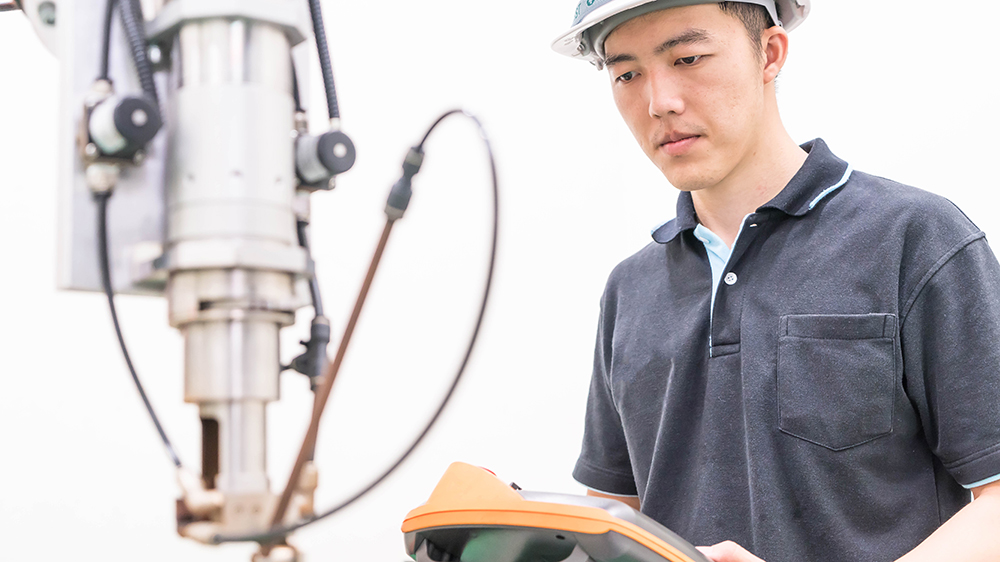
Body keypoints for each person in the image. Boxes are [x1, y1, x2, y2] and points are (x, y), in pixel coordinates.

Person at [551, 2, 1000, 562]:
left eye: (687, 57)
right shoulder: (630, 290)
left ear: (769, 53)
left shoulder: (915, 239)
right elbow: (613, 522)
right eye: (626, 73)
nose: (658, 101)